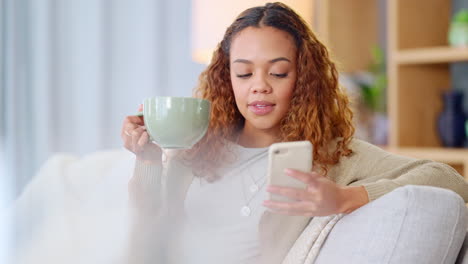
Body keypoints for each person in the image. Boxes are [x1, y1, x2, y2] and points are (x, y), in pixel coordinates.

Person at [121, 2, 468, 264]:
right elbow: (147, 241)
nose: (259, 87)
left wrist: (346, 199)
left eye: (278, 73)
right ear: (227, 79)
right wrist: (148, 159)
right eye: (243, 74)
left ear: (302, 78)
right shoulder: (197, 150)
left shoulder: (331, 156)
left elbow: (449, 180)